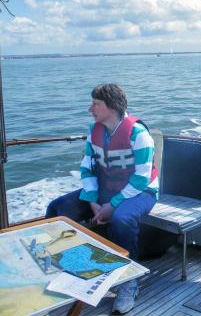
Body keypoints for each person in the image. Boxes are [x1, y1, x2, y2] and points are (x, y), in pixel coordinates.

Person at [46, 83, 158, 314]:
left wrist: (112, 205)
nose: (91, 109)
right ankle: (71, 270)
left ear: (112, 106)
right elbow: (87, 169)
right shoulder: (94, 131)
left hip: (140, 192)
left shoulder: (139, 134)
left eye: (95, 104)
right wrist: (93, 201)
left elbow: (141, 179)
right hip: (104, 191)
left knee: (122, 219)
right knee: (58, 209)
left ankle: (129, 281)